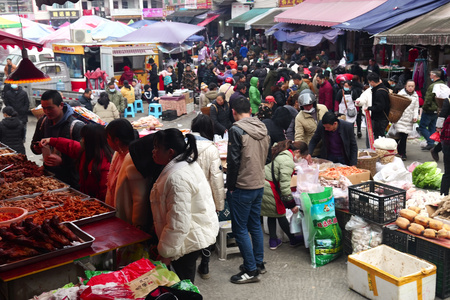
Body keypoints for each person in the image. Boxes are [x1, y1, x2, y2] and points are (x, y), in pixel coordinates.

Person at [150, 128, 219, 283]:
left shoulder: (177, 177)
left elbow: (179, 223)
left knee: (184, 284)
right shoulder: (182, 165)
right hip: (186, 239)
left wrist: (166, 253)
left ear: (170, 152)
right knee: (184, 282)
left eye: (157, 148)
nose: (153, 152)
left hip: (185, 242)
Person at [227, 97, 270, 284]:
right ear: (250, 110)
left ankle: (251, 270)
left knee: (240, 228)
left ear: (233, 111)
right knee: (254, 225)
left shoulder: (236, 130)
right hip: (259, 183)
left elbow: (234, 161)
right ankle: (258, 263)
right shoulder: (262, 127)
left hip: (243, 186)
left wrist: (230, 186)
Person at [39, 124, 112, 201]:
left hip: (96, 201)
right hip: (85, 195)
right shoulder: (86, 151)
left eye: (84, 138)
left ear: (92, 141)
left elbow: (104, 193)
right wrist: (50, 140)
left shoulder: (105, 164)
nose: (82, 140)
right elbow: (70, 145)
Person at [190, 115, 225, 279]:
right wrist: (220, 204)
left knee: (189, 229)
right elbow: (216, 179)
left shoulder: (185, 145)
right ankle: (205, 265)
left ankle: (189, 267)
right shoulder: (211, 149)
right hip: (206, 197)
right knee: (207, 230)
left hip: (188, 195)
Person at [31, 90, 85, 188]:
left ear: (60, 105)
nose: (46, 112)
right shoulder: (42, 122)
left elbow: (84, 157)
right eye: (44, 108)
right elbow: (33, 143)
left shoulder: (76, 126)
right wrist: (36, 148)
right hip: (49, 177)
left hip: (71, 181)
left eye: (50, 108)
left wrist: (63, 161)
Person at [114, 133, 164, 233]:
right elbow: (139, 201)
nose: (155, 152)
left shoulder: (134, 152)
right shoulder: (138, 165)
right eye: (154, 149)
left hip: (122, 210)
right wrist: (139, 230)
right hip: (131, 217)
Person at [261, 140, 307, 250]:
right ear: (297, 151)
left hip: (264, 183)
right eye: (302, 156)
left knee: (271, 213)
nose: (300, 159)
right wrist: (292, 205)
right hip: (270, 187)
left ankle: (273, 241)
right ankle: (293, 239)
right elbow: (285, 187)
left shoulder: (282, 153)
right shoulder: (287, 161)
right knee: (280, 213)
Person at [105, 119, 136, 207]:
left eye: (108, 138)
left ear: (116, 140)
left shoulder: (132, 159)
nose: (107, 141)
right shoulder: (118, 153)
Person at [294, 90, 328, 156]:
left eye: (310, 105)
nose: (308, 107)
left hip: (327, 147)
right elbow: (299, 136)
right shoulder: (299, 118)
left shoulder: (323, 109)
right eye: (305, 106)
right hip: (313, 150)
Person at [395, 80, 419, 160]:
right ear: (405, 86)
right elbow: (396, 106)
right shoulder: (401, 94)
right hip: (400, 118)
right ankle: (400, 152)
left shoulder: (416, 96)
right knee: (400, 135)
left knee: (404, 136)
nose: (410, 88)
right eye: (409, 86)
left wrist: (415, 116)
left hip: (409, 119)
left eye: (412, 86)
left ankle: (401, 152)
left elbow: (416, 107)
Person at [420, 70, 444, 151]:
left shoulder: (433, 86)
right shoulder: (443, 85)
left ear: (434, 75)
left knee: (422, 127)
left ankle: (430, 143)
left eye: (430, 74)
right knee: (432, 128)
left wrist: (424, 107)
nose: (430, 76)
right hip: (438, 109)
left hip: (430, 109)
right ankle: (431, 143)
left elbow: (428, 99)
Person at [367, 72, 390, 140]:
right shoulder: (383, 88)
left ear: (372, 82)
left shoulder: (379, 92)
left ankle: (380, 150)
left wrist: (369, 108)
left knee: (379, 138)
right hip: (382, 118)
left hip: (380, 119)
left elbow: (379, 107)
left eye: (369, 82)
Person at [438, 97, 450, 195]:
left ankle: (443, 195)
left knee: (447, 171)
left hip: (447, 144)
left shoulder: (448, 120)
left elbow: (442, 115)